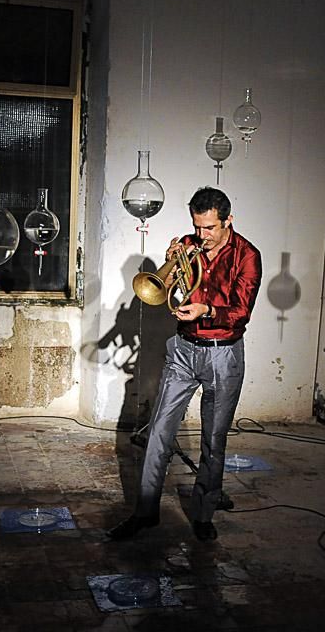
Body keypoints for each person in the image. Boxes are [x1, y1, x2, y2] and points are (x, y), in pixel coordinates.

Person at [108, 186, 262, 542]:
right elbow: (169, 291)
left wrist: (206, 310)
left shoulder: (247, 256)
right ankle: (145, 512)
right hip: (183, 349)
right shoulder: (190, 246)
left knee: (213, 440)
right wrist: (172, 268)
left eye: (209, 228)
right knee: (158, 432)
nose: (201, 235)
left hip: (223, 353)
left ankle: (203, 514)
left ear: (228, 220)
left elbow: (241, 311)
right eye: (196, 226)